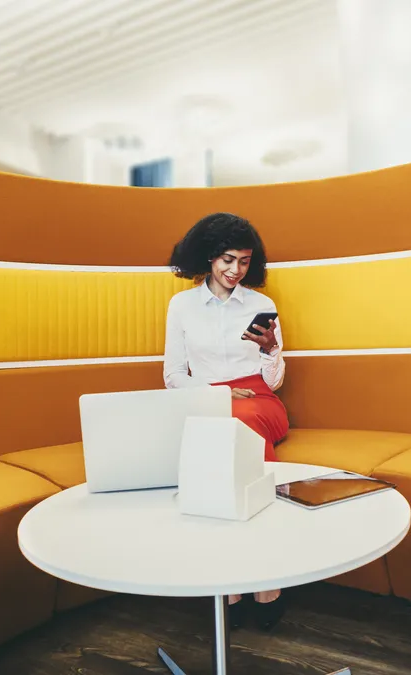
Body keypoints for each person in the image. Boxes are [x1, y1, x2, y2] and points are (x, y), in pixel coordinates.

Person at [163, 212, 289, 631]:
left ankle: (255, 578)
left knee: (239, 423)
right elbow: (173, 375)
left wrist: (271, 351)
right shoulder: (181, 306)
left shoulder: (261, 306)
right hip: (207, 401)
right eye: (227, 260)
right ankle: (240, 580)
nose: (236, 271)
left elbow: (274, 381)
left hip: (259, 399)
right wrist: (215, 394)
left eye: (245, 261)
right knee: (221, 425)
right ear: (207, 258)